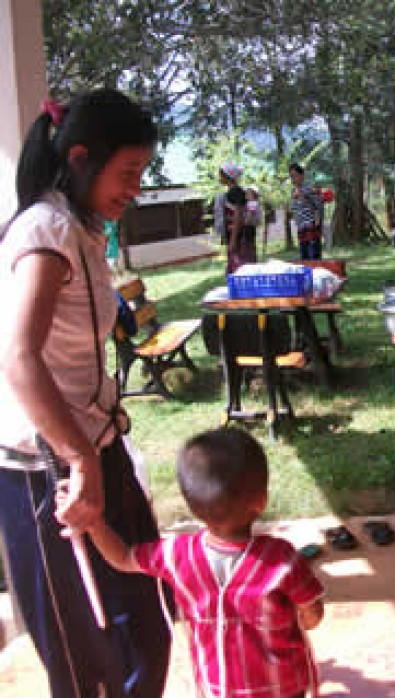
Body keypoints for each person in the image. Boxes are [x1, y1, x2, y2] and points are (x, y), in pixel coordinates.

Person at [0, 89, 171, 696]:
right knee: (86, 655)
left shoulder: (79, 228)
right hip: (47, 471)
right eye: (127, 174)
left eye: (142, 175)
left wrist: (91, 454)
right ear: (80, 158)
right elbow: (19, 360)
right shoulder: (45, 231)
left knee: (142, 629)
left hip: (94, 448)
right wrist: (78, 458)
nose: (135, 189)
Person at [85, 427, 326, 698]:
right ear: (261, 502)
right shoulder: (281, 559)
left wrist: (93, 524)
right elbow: (312, 616)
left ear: (192, 505)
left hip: (218, 689)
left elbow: (122, 558)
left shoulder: (175, 554)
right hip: (283, 688)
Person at [289, 163, 326, 260]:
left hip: (311, 226)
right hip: (301, 227)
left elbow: (319, 207)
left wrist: (318, 224)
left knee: (313, 257)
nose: (293, 179)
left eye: (295, 175)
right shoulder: (293, 191)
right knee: (304, 257)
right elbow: (293, 208)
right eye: (291, 176)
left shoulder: (310, 189)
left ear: (302, 176)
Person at [219, 162, 246, 274]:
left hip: (237, 237)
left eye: (221, 174)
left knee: (238, 269)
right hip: (232, 236)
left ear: (228, 176)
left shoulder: (236, 192)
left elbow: (238, 215)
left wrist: (233, 241)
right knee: (233, 268)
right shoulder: (231, 192)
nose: (219, 177)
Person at [240, 186, 261, 265]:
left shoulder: (252, 202)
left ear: (254, 195)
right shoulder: (251, 203)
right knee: (250, 245)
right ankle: (251, 261)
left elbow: (250, 214)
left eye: (248, 193)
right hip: (250, 226)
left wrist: (244, 223)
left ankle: (251, 262)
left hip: (249, 227)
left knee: (249, 245)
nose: (246, 194)